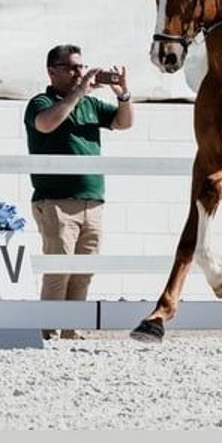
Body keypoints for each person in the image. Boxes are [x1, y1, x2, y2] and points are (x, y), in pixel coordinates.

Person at [24, 43, 133, 339]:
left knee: (83, 271)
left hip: (92, 201)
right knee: (58, 270)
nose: (78, 73)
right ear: (52, 71)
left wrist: (123, 94)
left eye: (81, 67)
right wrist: (80, 91)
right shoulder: (41, 102)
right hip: (56, 201)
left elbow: (124, 123)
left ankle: (71, 329)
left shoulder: (90, 105)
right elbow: (46, 124)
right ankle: (48, 330)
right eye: (71, 67)